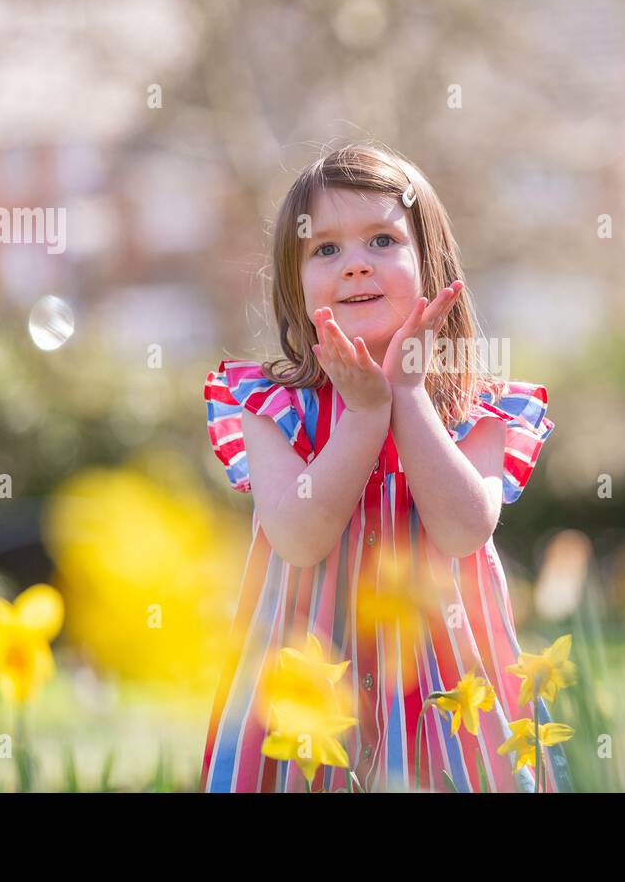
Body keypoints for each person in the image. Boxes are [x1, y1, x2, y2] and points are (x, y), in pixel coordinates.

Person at [200, 142, 571, 792]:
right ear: (294, 285)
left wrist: (406, 397)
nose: (354, 266)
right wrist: (364, 417)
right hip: (308, 694)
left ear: (433, 265)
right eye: (325, 250)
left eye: (381, 241)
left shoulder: (477, 410)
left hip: (444, 694)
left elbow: (462, 530)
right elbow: (299, 537)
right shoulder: (269, 404)